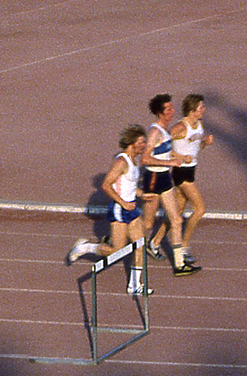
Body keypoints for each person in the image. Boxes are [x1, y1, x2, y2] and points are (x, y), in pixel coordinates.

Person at [67, 125, 153, 296]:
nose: (144, 145)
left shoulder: (133, 161)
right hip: (120, 209)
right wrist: (123, 202)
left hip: (132, 208)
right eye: (141, 142)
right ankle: (86, 248)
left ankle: (134, 286)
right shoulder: (121, 162)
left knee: (140, 245)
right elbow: (106, 185)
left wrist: (141, 194)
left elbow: (129, 185)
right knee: (117, 250)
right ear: (131, 143)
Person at [139, 94, 196, 276]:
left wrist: (180, 158)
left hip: (165, 179)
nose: (172, 112)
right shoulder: (154, 131)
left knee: (176, 219)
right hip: (153, 179)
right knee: (147, 225)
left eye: (172, 108)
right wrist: (169, 164)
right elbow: (145, 159)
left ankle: (179, 264)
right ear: (159, 112)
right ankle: (116, 242)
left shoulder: (165, 130)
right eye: (168, 109)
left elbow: (166, 151)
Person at [165, 93, 214, 270]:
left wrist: (204, 144)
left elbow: (193, 148)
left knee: (176, 212)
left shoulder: (198, 125)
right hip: (180, 173)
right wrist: (178, 157)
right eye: (201, 107)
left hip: (191, 170)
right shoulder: (180, 127)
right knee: (200, 209)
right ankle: (184, 247)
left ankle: (154, 243)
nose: (204, 109)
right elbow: (160, 147)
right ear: (192, 110)